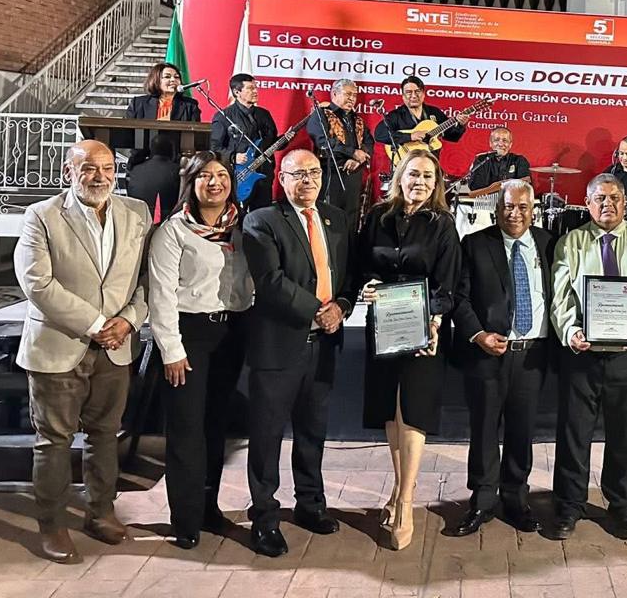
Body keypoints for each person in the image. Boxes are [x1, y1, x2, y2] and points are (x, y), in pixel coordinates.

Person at [13, 140, 151, 564]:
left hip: (117, 347)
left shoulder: (137, 213)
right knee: (54, 441)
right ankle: (52, 525)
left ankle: (100, 512)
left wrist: (129, 320)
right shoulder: (42, 215)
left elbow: (149, 278)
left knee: (105, 435)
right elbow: (37, 283)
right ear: (68, 173)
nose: (100, 176)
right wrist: (96, 325)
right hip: (59, 345)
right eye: (88, 168)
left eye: (107, 167)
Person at [546, 173, 627, 541]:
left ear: (625, 203)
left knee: (625, 435)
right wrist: (570, 331)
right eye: (599, 198)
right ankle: (569, 505)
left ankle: (624, 507)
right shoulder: (570, 243)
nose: (608, 204)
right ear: (587, 204)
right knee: (574, 434)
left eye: (615, 198)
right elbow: (560, 296)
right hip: (582, 355)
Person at [242, 149, 355, 558]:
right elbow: (271, 281)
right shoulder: (262, 221)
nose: (307, 181)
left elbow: (348, 275)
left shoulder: (336, 218)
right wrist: (318, 311)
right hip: (279, 345)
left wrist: (342, 306)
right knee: (267, 435)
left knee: (312, 430)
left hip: (323, 346)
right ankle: (265, 518)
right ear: (282, 178)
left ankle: (310, 504)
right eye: (298, 174)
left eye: (314, 173)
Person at [354, 149, 458, 550]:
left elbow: (448, 286)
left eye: (428, 177)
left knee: (412, 411)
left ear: (436, 184)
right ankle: (399, 489)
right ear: (400, 177)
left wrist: (434, 323)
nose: (420, 182)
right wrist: (367, 284)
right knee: (390, 410)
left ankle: (406, 502)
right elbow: (363, 266)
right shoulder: (378, 217)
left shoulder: (442, 225)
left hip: (423, 328)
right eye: (414, 174)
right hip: (382, 326)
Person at [147, 152, 252, 549]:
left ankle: (209, 507)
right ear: (190, 183)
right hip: (188, 334)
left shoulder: (241, 227)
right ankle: (186, 519)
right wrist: (171, 350)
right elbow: (161, 295)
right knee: (187, 428)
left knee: (215, 425)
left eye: (222, 175)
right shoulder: (174, 231)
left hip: (230, 333)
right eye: (205, 175)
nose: (215, 182)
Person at [451, 179, 557, 535]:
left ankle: (516, 499)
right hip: (488, 352)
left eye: (522, 207)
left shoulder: (548, 242)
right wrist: (478, 334)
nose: (515, 213)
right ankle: (482, 501)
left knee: (522, 430)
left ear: (533, 211)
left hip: (532, 355)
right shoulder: (475, 244)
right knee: (484, 428)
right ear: (497, 209)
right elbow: (459, 298)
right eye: (508, 206)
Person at [306, 78, 374, 232]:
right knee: (329, 217)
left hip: (353, 174)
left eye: (354, 95)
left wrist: (358, 159)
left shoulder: (357, 119)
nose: (352, 98)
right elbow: (322, 141)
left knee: (351, 219)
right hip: (331, 173)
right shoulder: (321, 115)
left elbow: (369, 142)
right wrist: (352, 153)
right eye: (348, 94)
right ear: (334, 94)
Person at [210, 72, 281, 211]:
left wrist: (286, 139)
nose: (255, 91)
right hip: (240, 175)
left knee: (263, 214)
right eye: (250, 88)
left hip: (264, 174)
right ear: (237, 92)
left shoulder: (264, 114)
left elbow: (272, 142)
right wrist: (233, 157)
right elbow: (214, 147)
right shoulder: (224, 116)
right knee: (237, 213)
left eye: (256, 87)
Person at [374, 75, 469, 161]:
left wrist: (461, 125)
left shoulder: (434, 112)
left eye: (417, 91)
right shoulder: (396, 115)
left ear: (423, 94)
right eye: (409, 92)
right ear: (403, 96)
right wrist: (410, 136)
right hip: (405, 163)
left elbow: (452, 137)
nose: (414, 96)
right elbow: (380, 135)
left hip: (430, 163)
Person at [125, 134, 181, 222]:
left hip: (137, 218)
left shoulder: (136, 169)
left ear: (151, 150)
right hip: (168, 221)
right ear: (172, 151)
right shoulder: (177, 171)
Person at [466, 126, 532, 197]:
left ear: (510, 144)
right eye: (496, 140)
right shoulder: (482, 160)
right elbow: (475, 188)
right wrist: (507, 184)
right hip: (484, 202)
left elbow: (525, 184)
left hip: (511, 201)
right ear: (491, 143)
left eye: (505, 140)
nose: (500, 144)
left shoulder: (519, 160)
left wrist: (498, 185)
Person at [126, 61, 201, 122]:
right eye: (167, 77)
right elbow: (127, 130)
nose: (173, 80)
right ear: (156, 80)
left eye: (176, 77)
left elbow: (195, 132)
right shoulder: (138, 103)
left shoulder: (190, 105)